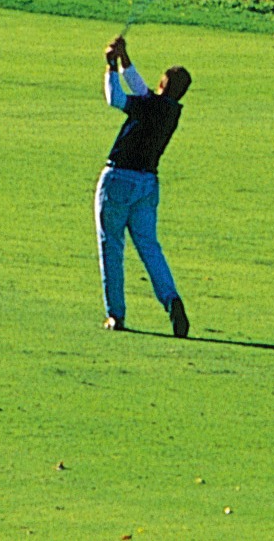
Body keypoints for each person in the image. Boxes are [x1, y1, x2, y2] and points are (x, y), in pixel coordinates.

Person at [96, 34, 191, 337]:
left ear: (163, 85)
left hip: (119, 179)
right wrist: (125, 58)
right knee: (150, 248)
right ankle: (172, 300)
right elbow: (142, 90)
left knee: (112, 245)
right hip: (147, 184)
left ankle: (116, 314)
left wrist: (110, 65)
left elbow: (116, 98)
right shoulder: (170, 110)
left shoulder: (151, 105)